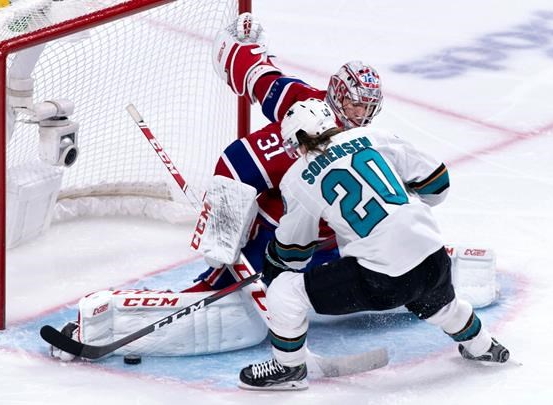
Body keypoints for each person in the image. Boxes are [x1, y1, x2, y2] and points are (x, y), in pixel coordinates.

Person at [237, 99, 510, 391]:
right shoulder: (375, 136)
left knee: (284, 292)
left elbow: (294, 253)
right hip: (433, 255)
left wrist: (273, 262)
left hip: (383, 279)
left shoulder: (298, 176)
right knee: (441, 306)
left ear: (299, 140)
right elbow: (437, 183)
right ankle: (483, 346)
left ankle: (288, 368)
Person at [184, 13, 383, 291]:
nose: (362, 115)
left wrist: (249, 61)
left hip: (333, 242)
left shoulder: (355, 132)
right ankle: (215, 286)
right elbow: (236, 163)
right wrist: (221, 237)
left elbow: (264, 79)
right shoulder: (307, 130)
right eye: (356, 105)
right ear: (338, 95)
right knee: (222, 290)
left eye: (368, 108)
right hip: (276, 237)